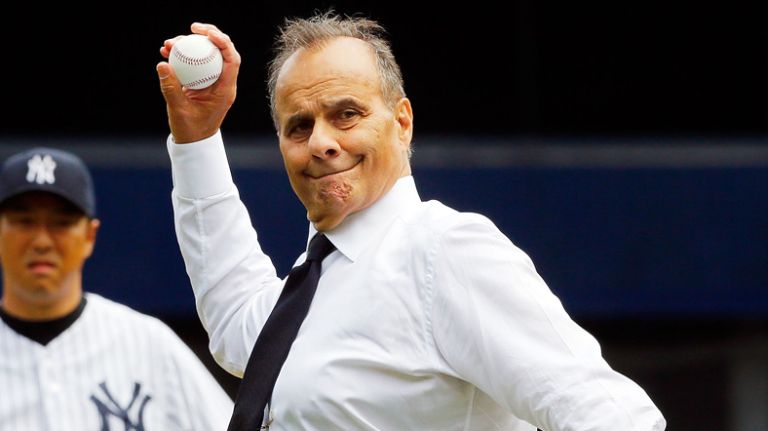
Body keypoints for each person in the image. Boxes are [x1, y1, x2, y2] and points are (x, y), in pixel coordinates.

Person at [155, 11, 667, 431]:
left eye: (347, 114)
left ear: (402, 122)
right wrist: (197, 138)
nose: (322, 141)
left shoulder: (442, 250)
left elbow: (606, 411)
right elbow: (235, 321)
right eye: (299, 126)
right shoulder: (314, 282)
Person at [0, 147, 233, 430]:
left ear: (89, 236)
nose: (41, 242)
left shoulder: (149, 343)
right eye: (24, 222)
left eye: (61, 224)